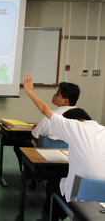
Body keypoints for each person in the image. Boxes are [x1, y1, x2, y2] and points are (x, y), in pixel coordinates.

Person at [22, 73, 105, 221]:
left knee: (54, 184)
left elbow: (44, 110)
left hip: (82, 197)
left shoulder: (73, 126)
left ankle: (48, 217)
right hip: (102, 199)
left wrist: (29, 91)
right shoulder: (101, 129)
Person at [14, 81, 80, 171]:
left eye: (57, 94)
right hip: (71, 156)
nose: (54, 95)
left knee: (21, 145)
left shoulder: (52, 116)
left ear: (66, 101)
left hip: (49, 154)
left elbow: (36, 137)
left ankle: (32, 174)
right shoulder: (80, 116)